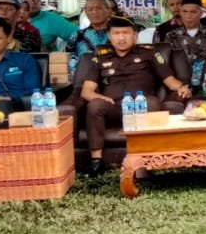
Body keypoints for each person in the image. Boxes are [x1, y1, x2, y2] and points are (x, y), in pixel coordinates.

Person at [75, 16, 192, 175]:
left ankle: (147, 159)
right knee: (95, 105)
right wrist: (101, 98)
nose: (121, 38)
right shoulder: (100, 56)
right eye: (116, 33)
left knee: (152, 103)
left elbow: (169, 80)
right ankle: (96, 161)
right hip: (113, 107)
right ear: (109, 36)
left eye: (126, 33)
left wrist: (183, 87)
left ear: (135, 35)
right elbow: (87, 91)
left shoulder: (149, 53)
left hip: (142, 105)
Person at [156, 0, 206, 93]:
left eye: (193, 12)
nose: (188, 16)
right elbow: (165, 63)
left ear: (201, 13)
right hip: (180, 85)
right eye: (185, 12)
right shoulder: (171, 35)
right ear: (180, 12)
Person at [65, 0, 114, 77]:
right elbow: (68, 61)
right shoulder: (77, 36)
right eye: (90, 9)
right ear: (86, 13)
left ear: (108, 10)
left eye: (99, 8)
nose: (94, 12)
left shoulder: (119, 34)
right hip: (83, 81)